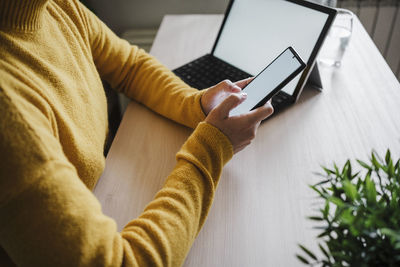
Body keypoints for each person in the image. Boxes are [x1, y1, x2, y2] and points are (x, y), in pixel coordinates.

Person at [0, 0, 273, 266]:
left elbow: (129, 66)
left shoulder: (55, 6)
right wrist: (211, 148)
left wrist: (196, 104)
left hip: (104, 190)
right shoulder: (8, 113)